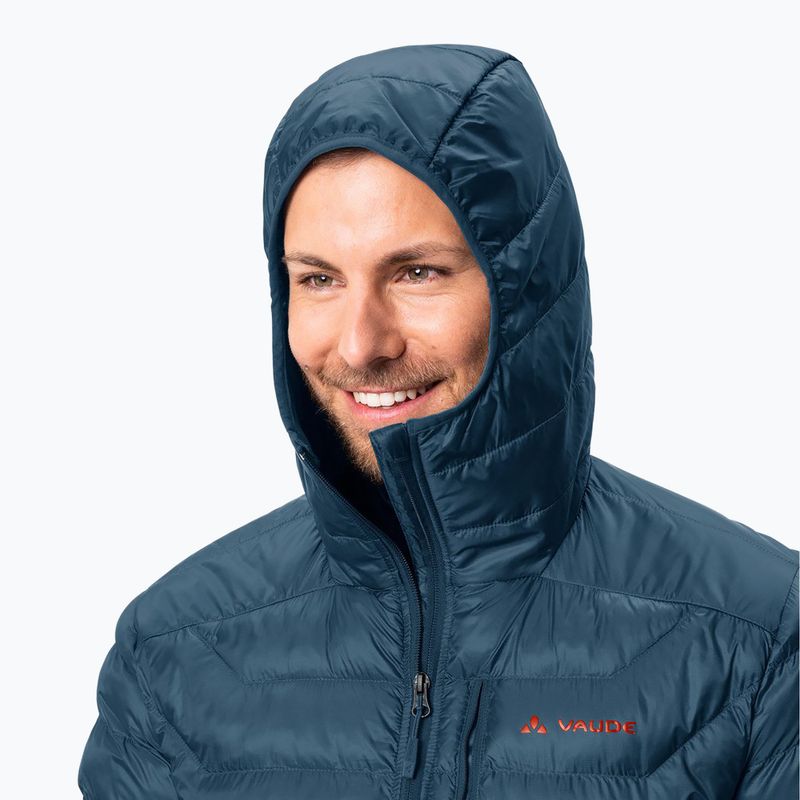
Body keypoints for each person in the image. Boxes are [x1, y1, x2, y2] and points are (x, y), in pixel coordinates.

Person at [78, 43, 798, 800]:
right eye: (319, 279)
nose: (360, 344)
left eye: (416, 273)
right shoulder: (172, 655)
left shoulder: (757, 637)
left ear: (525, 288)